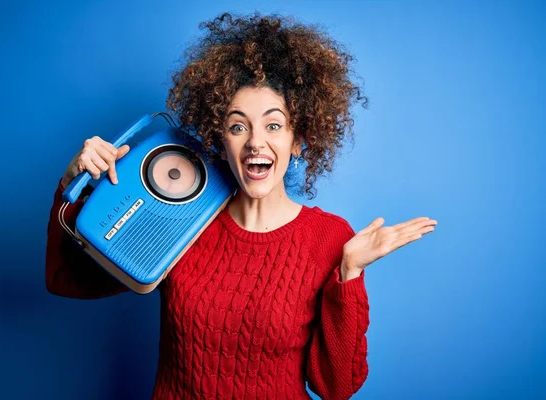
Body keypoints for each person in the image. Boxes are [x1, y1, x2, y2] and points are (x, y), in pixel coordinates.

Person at [45, 13, 437, 399]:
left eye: (273, 125)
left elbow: (336, 387)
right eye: (237, 126)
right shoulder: (181, 216)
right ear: (221, 139)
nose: (254, 142)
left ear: (298, 139)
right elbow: (65, 279)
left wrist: (349, 274)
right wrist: (71, 183)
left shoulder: (330, 239)